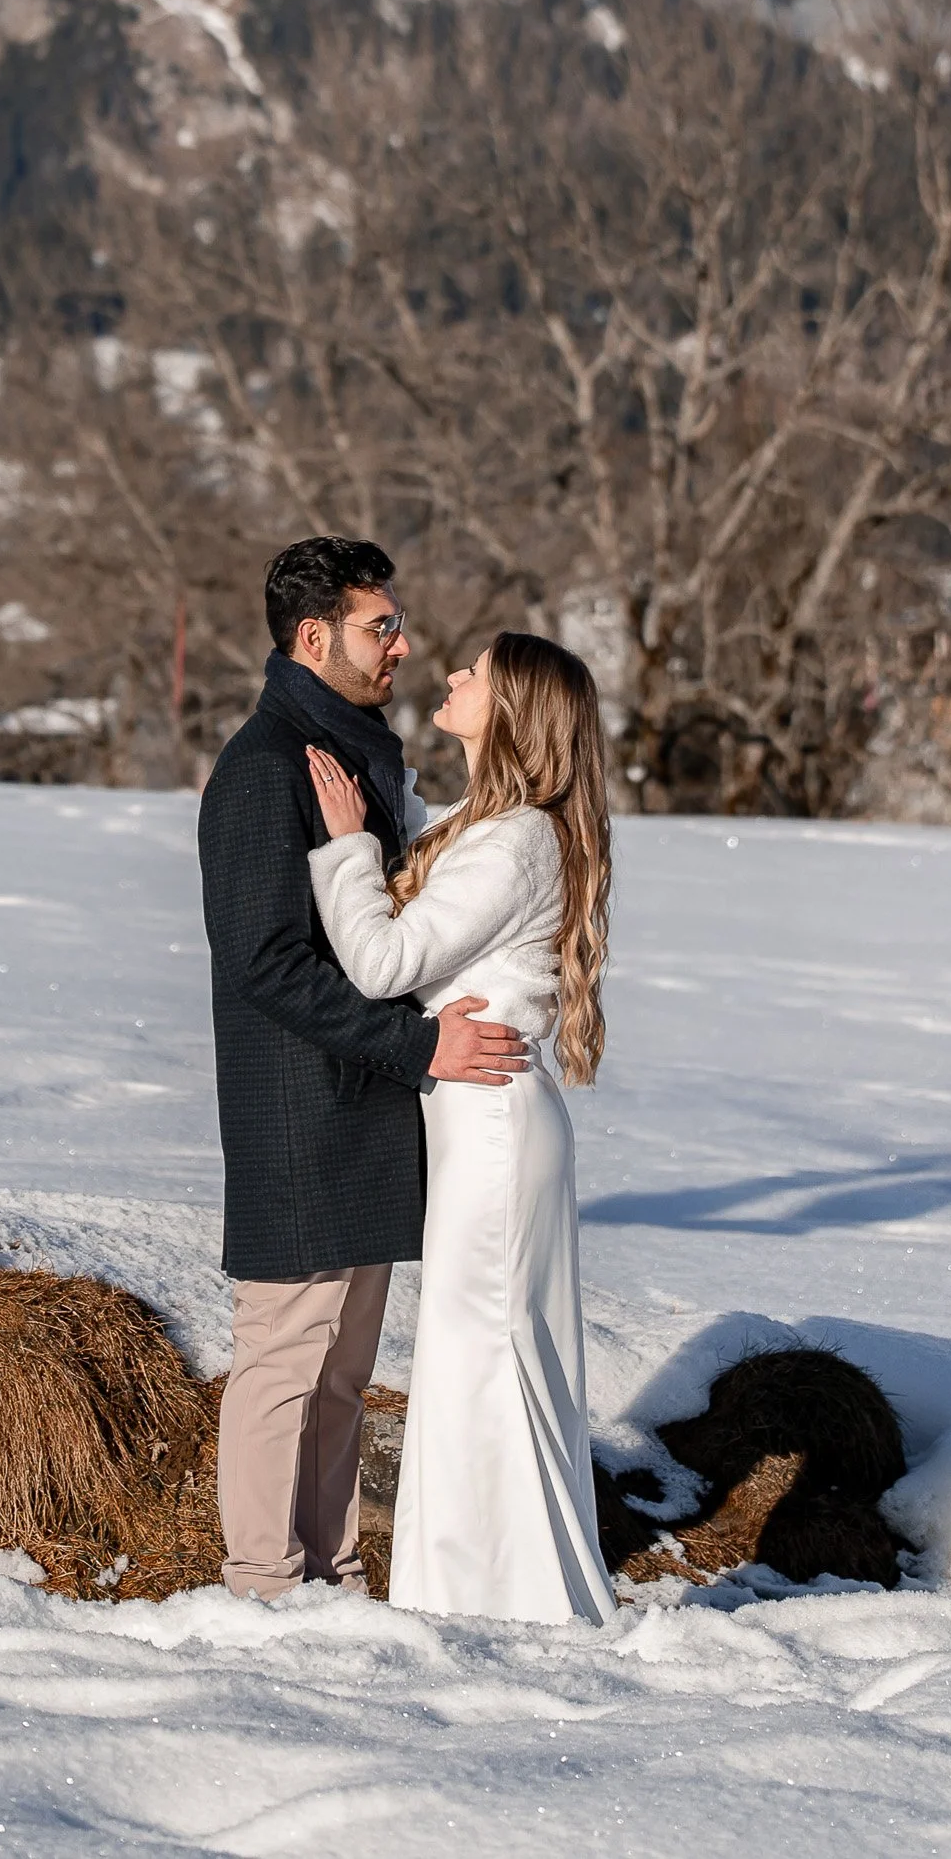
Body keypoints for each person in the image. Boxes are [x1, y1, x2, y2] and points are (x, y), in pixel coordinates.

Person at [198, 537, 532, 1601]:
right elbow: (263, 964)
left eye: (395, 623)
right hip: (300, 1118)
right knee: (280, 1367)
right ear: (311, 638)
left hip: (367, 1114)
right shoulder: (264, 770)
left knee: (340, 1376)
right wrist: (417, 1047)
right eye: (377, 626)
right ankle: (259, 1584)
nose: (401, 644)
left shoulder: (363, 756)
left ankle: (331, 1576)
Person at [306, 629, 616, 1624]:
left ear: (514, 708)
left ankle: (501, 1603)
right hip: (484, 1121)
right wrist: (382, 801)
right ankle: (492, 1591)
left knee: (478, 1354)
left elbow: (384, 965)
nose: (449, 675)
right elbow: (429, 838)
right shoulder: (487, 827)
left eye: (473, 673)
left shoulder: (517, 838)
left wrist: (346, 845)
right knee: (481, 1353)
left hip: (490, 1126)